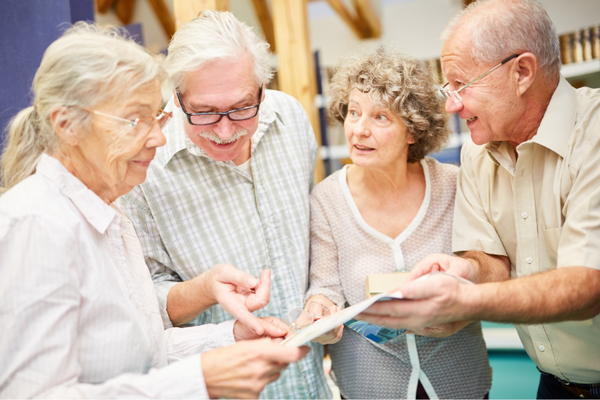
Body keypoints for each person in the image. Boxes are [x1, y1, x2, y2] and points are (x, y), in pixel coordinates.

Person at [0, 23, 309, 399]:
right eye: (135, 120)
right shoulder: (35, 225)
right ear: (67, 125)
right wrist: (199, 382)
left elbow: (147, 352)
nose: (159, 138)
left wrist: (228, 335)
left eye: (155, 117)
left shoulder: (111, 219)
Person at [357, 1, 600, 398]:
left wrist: (465, 302)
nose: (451, 104)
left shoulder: (594, 134)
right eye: (446, 87)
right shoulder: (477, 151)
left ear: (522, 72)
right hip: (554, 385)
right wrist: (464, 270)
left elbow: (588, 284)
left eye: (462, 84)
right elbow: (493, 263)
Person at [119, 10, 330, 399]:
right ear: (178, 98)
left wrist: (323, 296)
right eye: (204, 112)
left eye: (242, 107)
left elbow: (317, 238)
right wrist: (204, 289)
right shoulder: (144, 170)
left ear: (262, 90)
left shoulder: (291, 119)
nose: (225, 129)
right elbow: (142, 308)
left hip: (312, 384)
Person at [304, 48, 491, 399]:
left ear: (413, 130)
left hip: (458, 381)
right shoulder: (327, 199)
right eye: (354, 112)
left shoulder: (454, 184)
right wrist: (318, 310)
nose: (359, 130)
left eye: (380, 117)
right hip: (368, 386)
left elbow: (485, 269)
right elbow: (324, 287)